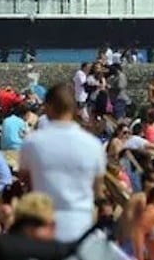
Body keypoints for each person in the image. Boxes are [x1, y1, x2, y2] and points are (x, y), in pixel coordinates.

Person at [19, 83, 106, 242]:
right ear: (73, 108)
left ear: (48, 107)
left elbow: (25, 179)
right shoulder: (93, 145)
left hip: (43, 224)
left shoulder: (32, 142)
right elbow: (97, 188)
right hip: (81, 226)